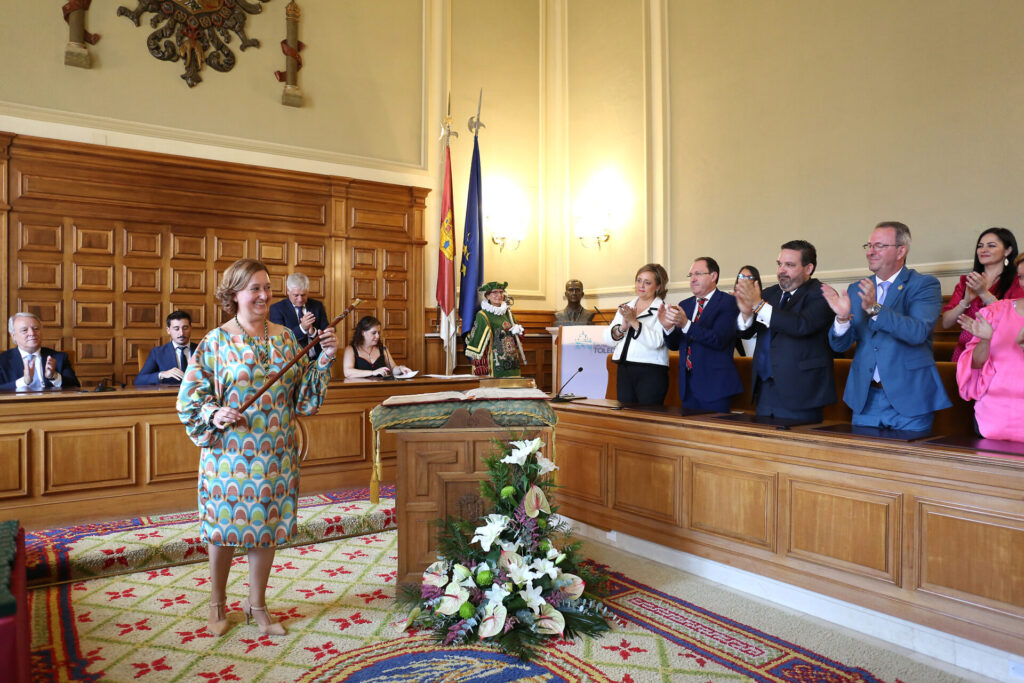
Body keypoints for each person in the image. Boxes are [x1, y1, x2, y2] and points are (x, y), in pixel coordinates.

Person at [176, 258, 337, 637]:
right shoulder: (215, 341)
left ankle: (257, 604)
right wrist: (213, 413)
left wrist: (325, 358)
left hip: (276, 455)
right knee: (224, 530)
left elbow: (303, 400)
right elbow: (189, 400)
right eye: (255, 289)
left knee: (265, 528)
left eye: (267, 287)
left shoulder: (284, 337)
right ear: (234, 294)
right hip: (229, 457)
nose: (264, 295)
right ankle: (217, 602)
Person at [823, 221, 951, 431]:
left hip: (909, 396)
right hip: (866, 397)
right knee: (865, 463)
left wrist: (874, 309)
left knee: (909, 463)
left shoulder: (923, 285)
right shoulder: (857, 289)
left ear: (901, 251)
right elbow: (839, 346)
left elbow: (917, 332)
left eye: (879, 246)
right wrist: (842, 319)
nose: (870, 252)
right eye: (869, 246)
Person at [735, 241, 836, 422]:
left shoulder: (822, 294)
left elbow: (801, 325)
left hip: (801, 392)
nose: (781, 270)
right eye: (779, 264)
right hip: (765, 390)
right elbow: (747, 332)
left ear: (808, 268)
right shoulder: (768, 294)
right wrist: (745, 313)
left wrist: (758, 305)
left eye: (789, 265)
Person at [955, 254, 1024, 442]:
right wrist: (985, 340)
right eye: (1022, 277)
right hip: (994, 415)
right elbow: (976, 365)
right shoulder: (995, 312)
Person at [659, 258, 743, 412]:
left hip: (715, 386)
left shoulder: (729, 302)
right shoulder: (685, 305)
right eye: (690, 275)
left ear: (713, 276)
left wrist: (686, 324)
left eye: (698, 274)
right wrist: (667, 328)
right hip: (688, 385)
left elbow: (719, 340)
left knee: (714, 435)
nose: (693, 279)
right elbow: (675, 345)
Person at [940, 228, 1022, 361]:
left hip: (1000, 354)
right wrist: (965, 301)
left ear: (1008, 250)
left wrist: (983, 293)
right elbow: (946, 323)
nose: (983, 250)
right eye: (980, 246)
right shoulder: (966, 281)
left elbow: (1013, 321)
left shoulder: (1017, 282)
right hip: (966, 353)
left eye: (991, 246)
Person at [604, 264, 670, 404]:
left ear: (658, 286)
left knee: (647, 418)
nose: (641, 285)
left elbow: (657, 342)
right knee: (626, 417)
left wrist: (634, 322)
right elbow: (608, 340)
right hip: (624, 369)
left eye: (647, 282)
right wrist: (622, 327)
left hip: (651, 372)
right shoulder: (626, 306)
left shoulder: (664, 309)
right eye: (639, 280)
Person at [1, 312, 80, 391]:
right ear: (13, 336)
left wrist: (54, 376)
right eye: (24, 330)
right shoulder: (2, 361)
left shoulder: (59, 357)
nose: (32, 333)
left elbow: (75, 386)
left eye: (36, 329)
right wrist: (24, 382)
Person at [465, 281, 525, 377]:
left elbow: (517, 339)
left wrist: (519, 331)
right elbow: (479, 340)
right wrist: (481, 364)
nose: (499, 295)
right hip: (494, 364)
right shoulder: (483, 315)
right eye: (495, 292)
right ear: (488, 296)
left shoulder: (508, 314)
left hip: (512, 363)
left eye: (501, 292)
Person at [269, 272, 331, 358]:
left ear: (308, 291)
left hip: (317, 359)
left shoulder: (317, 306)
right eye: (296, 295)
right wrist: (302, 328)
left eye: (303, 295)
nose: (300, 299)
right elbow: (279, 339)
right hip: (291, 361)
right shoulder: (277, 309)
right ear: (288, 291)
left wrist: (313, 332)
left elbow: (327, 332)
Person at [134, 311, 197, 386]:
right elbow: (139, 380)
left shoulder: (203, 350)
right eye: (176, 329)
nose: (181, 333)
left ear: (191, 328)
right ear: (168, 330)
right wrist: (162, 374)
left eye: (185, 328)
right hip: (169, 396)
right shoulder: (157, 353)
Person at [342, 315, 412, 378]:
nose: (377, 336)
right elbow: (348, 372)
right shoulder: (351, 349)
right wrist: (373, 373)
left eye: (378, 333)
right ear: (363, 333)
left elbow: (392, 368)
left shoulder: (382, 347)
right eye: (374, 333)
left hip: (381, 387)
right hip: (360, 389)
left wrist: (400, 368)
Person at [733, 266, 761, 357]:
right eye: (741, 276)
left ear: (756, 281)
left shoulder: (763, 302)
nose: (744, 280)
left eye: (749, 277)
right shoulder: (730, 301)